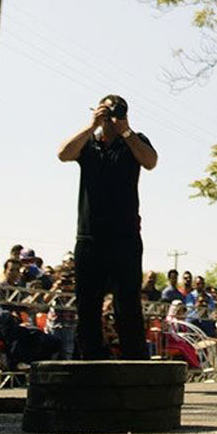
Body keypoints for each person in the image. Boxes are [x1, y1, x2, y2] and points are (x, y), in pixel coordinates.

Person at [58, 93, 157, 360]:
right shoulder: (88, 144)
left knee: (128, 304)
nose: (112, 119)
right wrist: (92, 125)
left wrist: (126, 131)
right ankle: (89, 362)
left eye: (117, 114)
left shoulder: (134, 141)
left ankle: (135, 362)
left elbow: (150, 161)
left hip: (124, 238)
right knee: (88, 304)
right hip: (90, 238)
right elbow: (63, 154)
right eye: (108, 113)